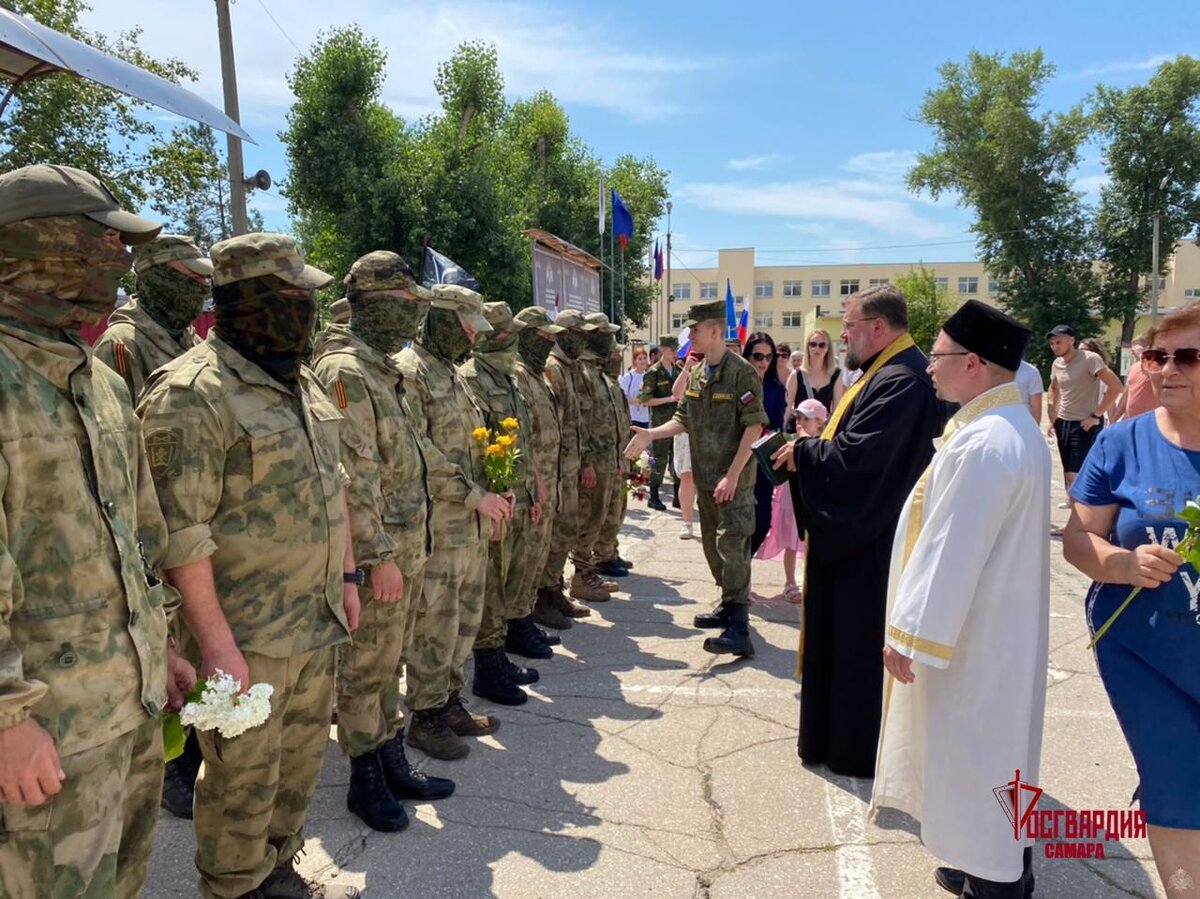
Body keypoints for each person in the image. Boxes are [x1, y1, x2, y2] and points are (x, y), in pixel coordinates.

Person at [139, 232, 361, 899]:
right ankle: (235, 886)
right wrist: (214, 643)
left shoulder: (303, 381)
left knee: (296, 770)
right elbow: (179, 535)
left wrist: (347, 576)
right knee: (240, 781)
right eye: (296, 295)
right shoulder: (192, 393)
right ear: (255, 297)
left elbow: (336, 484)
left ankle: (277, 870)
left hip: (314, 620)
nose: (308, 308)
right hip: (243, 639)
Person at [0, 164, 191, 899]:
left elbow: (141, 539)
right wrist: (8, 719)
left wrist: (164, 645)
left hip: (128, 712)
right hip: (44, 733)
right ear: (41, 247)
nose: (118, 260)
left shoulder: (102, 384)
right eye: (101, 242)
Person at [871, 300, 1048, 899]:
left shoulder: (986, 443)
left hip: (973, 641)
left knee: (975, 761)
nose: (929, 368)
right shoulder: (1007, 427)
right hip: (993, 630)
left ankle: (995, 881)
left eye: (939, 356)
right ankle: (987, 864)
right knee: (993, 761)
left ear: (972, 364)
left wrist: (908, 635)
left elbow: (953, 549)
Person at [771, 285, 946, 778]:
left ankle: (855, 749)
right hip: (863, 536)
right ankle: (834, 741)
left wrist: (803, 454)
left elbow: (859, 460)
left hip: (870, 541)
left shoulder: (902, 380)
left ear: (876, 327)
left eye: (848, 327)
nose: (843, 335)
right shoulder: (884, 373)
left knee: (856, 651)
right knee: (842, 647)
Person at [311, 251, 454, 833]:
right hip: (380, 555)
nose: (414, 314)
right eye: (405, 303)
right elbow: (351, 480)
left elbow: (408, 461)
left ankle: (390, 756)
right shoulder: (345, 371)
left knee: (390, 662)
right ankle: (364, 778)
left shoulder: (383, 368)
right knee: (366, 669)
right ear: (374, 303)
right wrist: (375, 557)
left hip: (407, 545)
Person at [1062, 304, 1200, 896]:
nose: (1168, 369)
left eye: (1186, 357)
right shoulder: (1121, 442)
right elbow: (1077, 538)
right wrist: (1122, 562)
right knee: (1175, 785)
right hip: (1143, 648)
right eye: (1156, 357)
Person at [92, 232, 212, 820]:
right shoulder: (123, 342)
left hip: (184, 512)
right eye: (188, 279)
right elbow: (126, 437)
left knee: (191, 642)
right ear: (156, 273)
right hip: (150, 514)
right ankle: (175, 766)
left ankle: (190, 752)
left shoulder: (183, 337)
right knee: (174, 641)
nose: (199, 290)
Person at [395, 284, 512, 760]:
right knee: (435, 627)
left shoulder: (454, 374)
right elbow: (420, 450)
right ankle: (424, 717)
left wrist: (497, 487)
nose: (471, 339)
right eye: (466, 328)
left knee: (463, 623)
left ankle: (448, 702)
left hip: (472, 526)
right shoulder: (411, 373)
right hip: (439, 527)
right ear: (442, 319)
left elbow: (474, 443)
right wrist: (473, 494)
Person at [626, 300, 768, 658]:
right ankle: (728, 603)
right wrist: (649, 436)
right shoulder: (699, 373)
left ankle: (739, 628)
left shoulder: (742, 373)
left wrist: (734, 475)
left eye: (695, 329)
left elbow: (754, 426)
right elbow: (682, 419)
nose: (690, 335)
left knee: (732, 546)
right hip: (706, 479)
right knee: (712, 548)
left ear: (715, 331)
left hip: (733, 480)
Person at [460, 301, 549, 708]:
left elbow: (523, 443)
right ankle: (488, 667)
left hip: (516, 495)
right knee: (491, 585)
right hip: (491, 504)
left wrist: (535, 487)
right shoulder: (473, 379)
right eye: (505, 332)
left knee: (508, 576)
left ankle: (499, 654)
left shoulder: (507, 377)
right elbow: (474, 448)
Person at [512, 307, 573, 632]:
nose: (550, 341)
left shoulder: (538, 375)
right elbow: (524, 435)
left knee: (544, 547)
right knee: (530, 551)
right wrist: (536, 481)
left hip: (551, 475)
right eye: (544, 335)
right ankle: (526, 613)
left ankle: (542, 600)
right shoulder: (520, 374)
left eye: (553, 336)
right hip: (535, 480)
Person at [94, 233, 210, 402]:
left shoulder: (193, 342)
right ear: (158, 279)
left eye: (205, 279)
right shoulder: (121, 344)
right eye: (193, 278)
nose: (203, 288)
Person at [539, 310, 597, 615]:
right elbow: (555, 426)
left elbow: (577, 423)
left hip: (571, 466)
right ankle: (546, 594)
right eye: (579, 333)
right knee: (556, 534)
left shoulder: (571, 368)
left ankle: (554, 588)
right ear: (564, 334)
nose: (583, 339)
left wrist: (583, 461)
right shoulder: (553, 368)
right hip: (557, 470)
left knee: (567, 531)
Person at [757, 398, 826, 601]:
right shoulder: (790, 443)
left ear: (820, 422)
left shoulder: (822, 445)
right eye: (798, 418)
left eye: (806, 418)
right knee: (791, 542)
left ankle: (810, 581)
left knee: (811, 544)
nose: (800, 423)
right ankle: (790, 581)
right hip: (790, 499)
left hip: (811, 501)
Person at [1045, 325, 1123, 503]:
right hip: (1063, 422)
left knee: (1075, 472)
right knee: (1067, 472)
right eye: (1052, 343)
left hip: (1084, 423)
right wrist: (1052, 411)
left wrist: (1096, 415)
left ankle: (1080, 520)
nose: (1055, 346)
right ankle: (1075, 518)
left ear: (1071, 340)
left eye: (1059, 342)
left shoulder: (1090, 359)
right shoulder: (1057, 363)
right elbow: (1053, 388)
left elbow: (1116, 386)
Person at [743, 332, 787, 556]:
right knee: (737, 524)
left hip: (762, 461)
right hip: (737, 462)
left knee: (762, 521)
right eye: (758, 356)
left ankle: (743, 565)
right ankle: (737, 577)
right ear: (748, 356)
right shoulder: (737, 385)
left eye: (769, 357)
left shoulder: (776, 389)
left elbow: (778, 425)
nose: (763, 362)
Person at [638, 335, 680, 510]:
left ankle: (678, 496)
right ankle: (653, 496)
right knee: (659, 458)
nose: (675, 353)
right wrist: (668, 399)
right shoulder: (653, 372)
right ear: (663, 350)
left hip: (677, 422)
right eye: (672, 350)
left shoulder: (677, 370)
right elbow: (645, 400)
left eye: (676, 350)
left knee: (677, 457)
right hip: (660, 423)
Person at [787, 328, 843, 431]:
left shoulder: (836, 374)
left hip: (823, 433)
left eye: (822, 345)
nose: (817, 348)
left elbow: (837, 411)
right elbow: (787, 408)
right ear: (807, 347)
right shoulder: (796, 375)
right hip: (800, 431)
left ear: (828, 349)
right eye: (813, 344)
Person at [670, 352, 701, 540]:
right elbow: (676, 393)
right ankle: (687, 522)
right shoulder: (687, 372)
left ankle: (710, 522)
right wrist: (687, 368)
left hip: (709, 430)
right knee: (687, 477)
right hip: (686, 429)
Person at [1112, 333, 1157, 422]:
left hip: (1150, 423)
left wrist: (1142, 356)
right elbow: (1127, 396)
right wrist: (1114, 420)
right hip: (1130, 421)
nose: (1132, 352)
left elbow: (1154, 375)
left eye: (1136, 348)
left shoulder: (1158, 367)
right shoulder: (1134, 367)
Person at [619, 345, 651, 429]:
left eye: (644, 358)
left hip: (644, 417)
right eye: (640, 359)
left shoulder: (648, 376)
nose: (643, 361)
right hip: (632, 417)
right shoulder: (629, 376)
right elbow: (622, 398)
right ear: (635, 361)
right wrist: (638, 400)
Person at [1013, 358, 1044, 423]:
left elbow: (1036, 408)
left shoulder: (1031, 372)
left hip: (1022, 426)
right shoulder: (989, 370)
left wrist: (1034, 431)